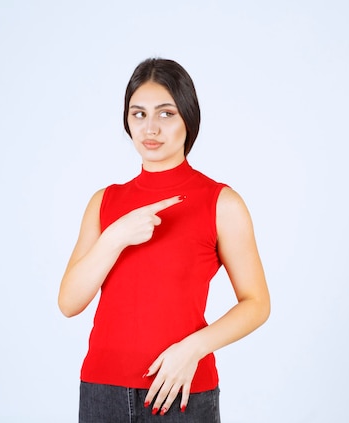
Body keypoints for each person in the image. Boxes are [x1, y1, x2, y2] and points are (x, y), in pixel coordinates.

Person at [58, 58, 270, 423]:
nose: (150, 127)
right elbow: (69, 302)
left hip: (180, 390)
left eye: (166, 113)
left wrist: (194, 349)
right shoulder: (104, 202)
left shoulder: (221, 202)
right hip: (101, 392)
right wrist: (115, 237)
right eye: (138, 114)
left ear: (188, 117)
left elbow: (257, 303)